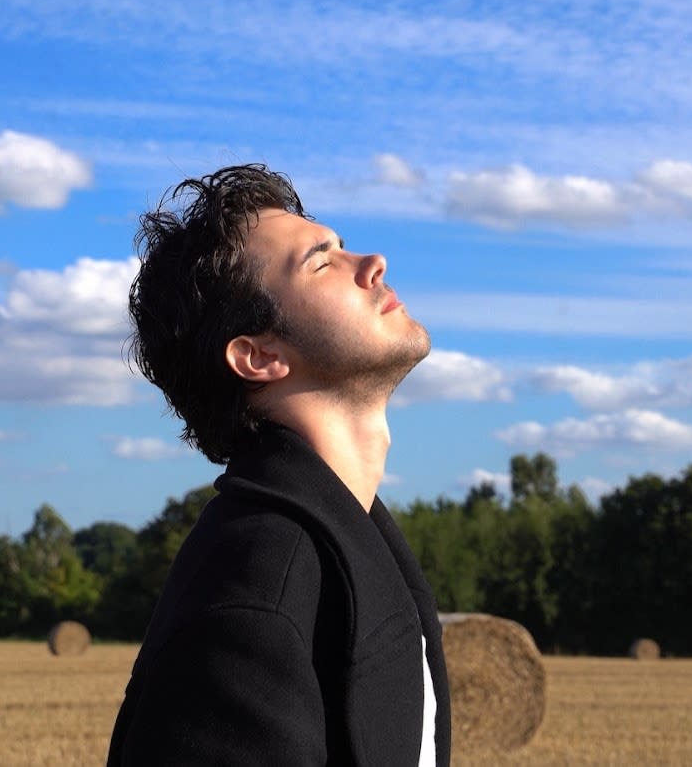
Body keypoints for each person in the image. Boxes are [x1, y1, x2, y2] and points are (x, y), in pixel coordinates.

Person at [107, 164, 451, 766]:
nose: (373, 263)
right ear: (260, 356)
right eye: (321, 262)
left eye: (341, 247)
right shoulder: (257, 592)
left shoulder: (344, 541)